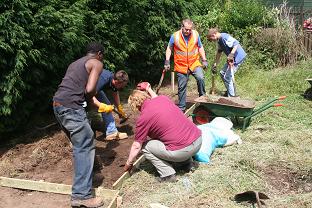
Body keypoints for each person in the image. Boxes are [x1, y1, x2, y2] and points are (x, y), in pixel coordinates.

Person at [53, 42, 110, 208]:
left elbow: (77, 87)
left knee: (81, 145)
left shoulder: (75, 63)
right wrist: (96, 102)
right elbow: (90, 89)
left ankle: (89, 177)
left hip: (58, 105)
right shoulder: (97, 63)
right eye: (102, 56)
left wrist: (95, 104)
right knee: (85, 146)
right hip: (71, 107)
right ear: (99, 53)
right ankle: (81, 196)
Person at [124, 82, 202, 182]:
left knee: (145, 146)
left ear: (135, 106)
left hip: (183, 150)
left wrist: (128, 163)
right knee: (171, 134)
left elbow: (136, 146)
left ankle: (168, 175)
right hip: (198, 141)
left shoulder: (144, 118)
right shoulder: (163, 99)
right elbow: (155, 97)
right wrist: (148, 88)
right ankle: (186, 164)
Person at [164, 19, 208, 112]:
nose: (188, 31)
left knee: (200, 78)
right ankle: (182, 108)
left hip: (194, 63)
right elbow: (169, 48)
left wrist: (204, 59)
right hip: (181, 65)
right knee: (182, 86)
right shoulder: (175, 36)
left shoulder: (195, 34)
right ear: (182, 27)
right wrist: (167, 61)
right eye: (186, 29)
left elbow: (200, 47)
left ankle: (203, 100)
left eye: (190, 29)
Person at [207, 28, 247, 97]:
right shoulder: (219, 40)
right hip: (231, 59)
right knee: (222, 73)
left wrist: (231, 54)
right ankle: (230, 91)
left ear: (214, 35)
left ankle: (232, 97)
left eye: (211, 39)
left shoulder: (224, 37)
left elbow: (236, 44)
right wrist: (215, 64)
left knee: (227, 77)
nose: (212, 41)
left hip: (237, 58)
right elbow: (219, 52)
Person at [92, 69, 129, 140]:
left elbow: (115, 92)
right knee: (84, 109)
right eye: (122, 86)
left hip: (94, 89)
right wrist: (101, 106)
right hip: (83, 88)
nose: (123, 88)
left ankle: (111, 132)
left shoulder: (114, 80)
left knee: (107, 104)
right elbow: (90, 96)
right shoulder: (103, 79)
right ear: (116, 82)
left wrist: (119, 107)